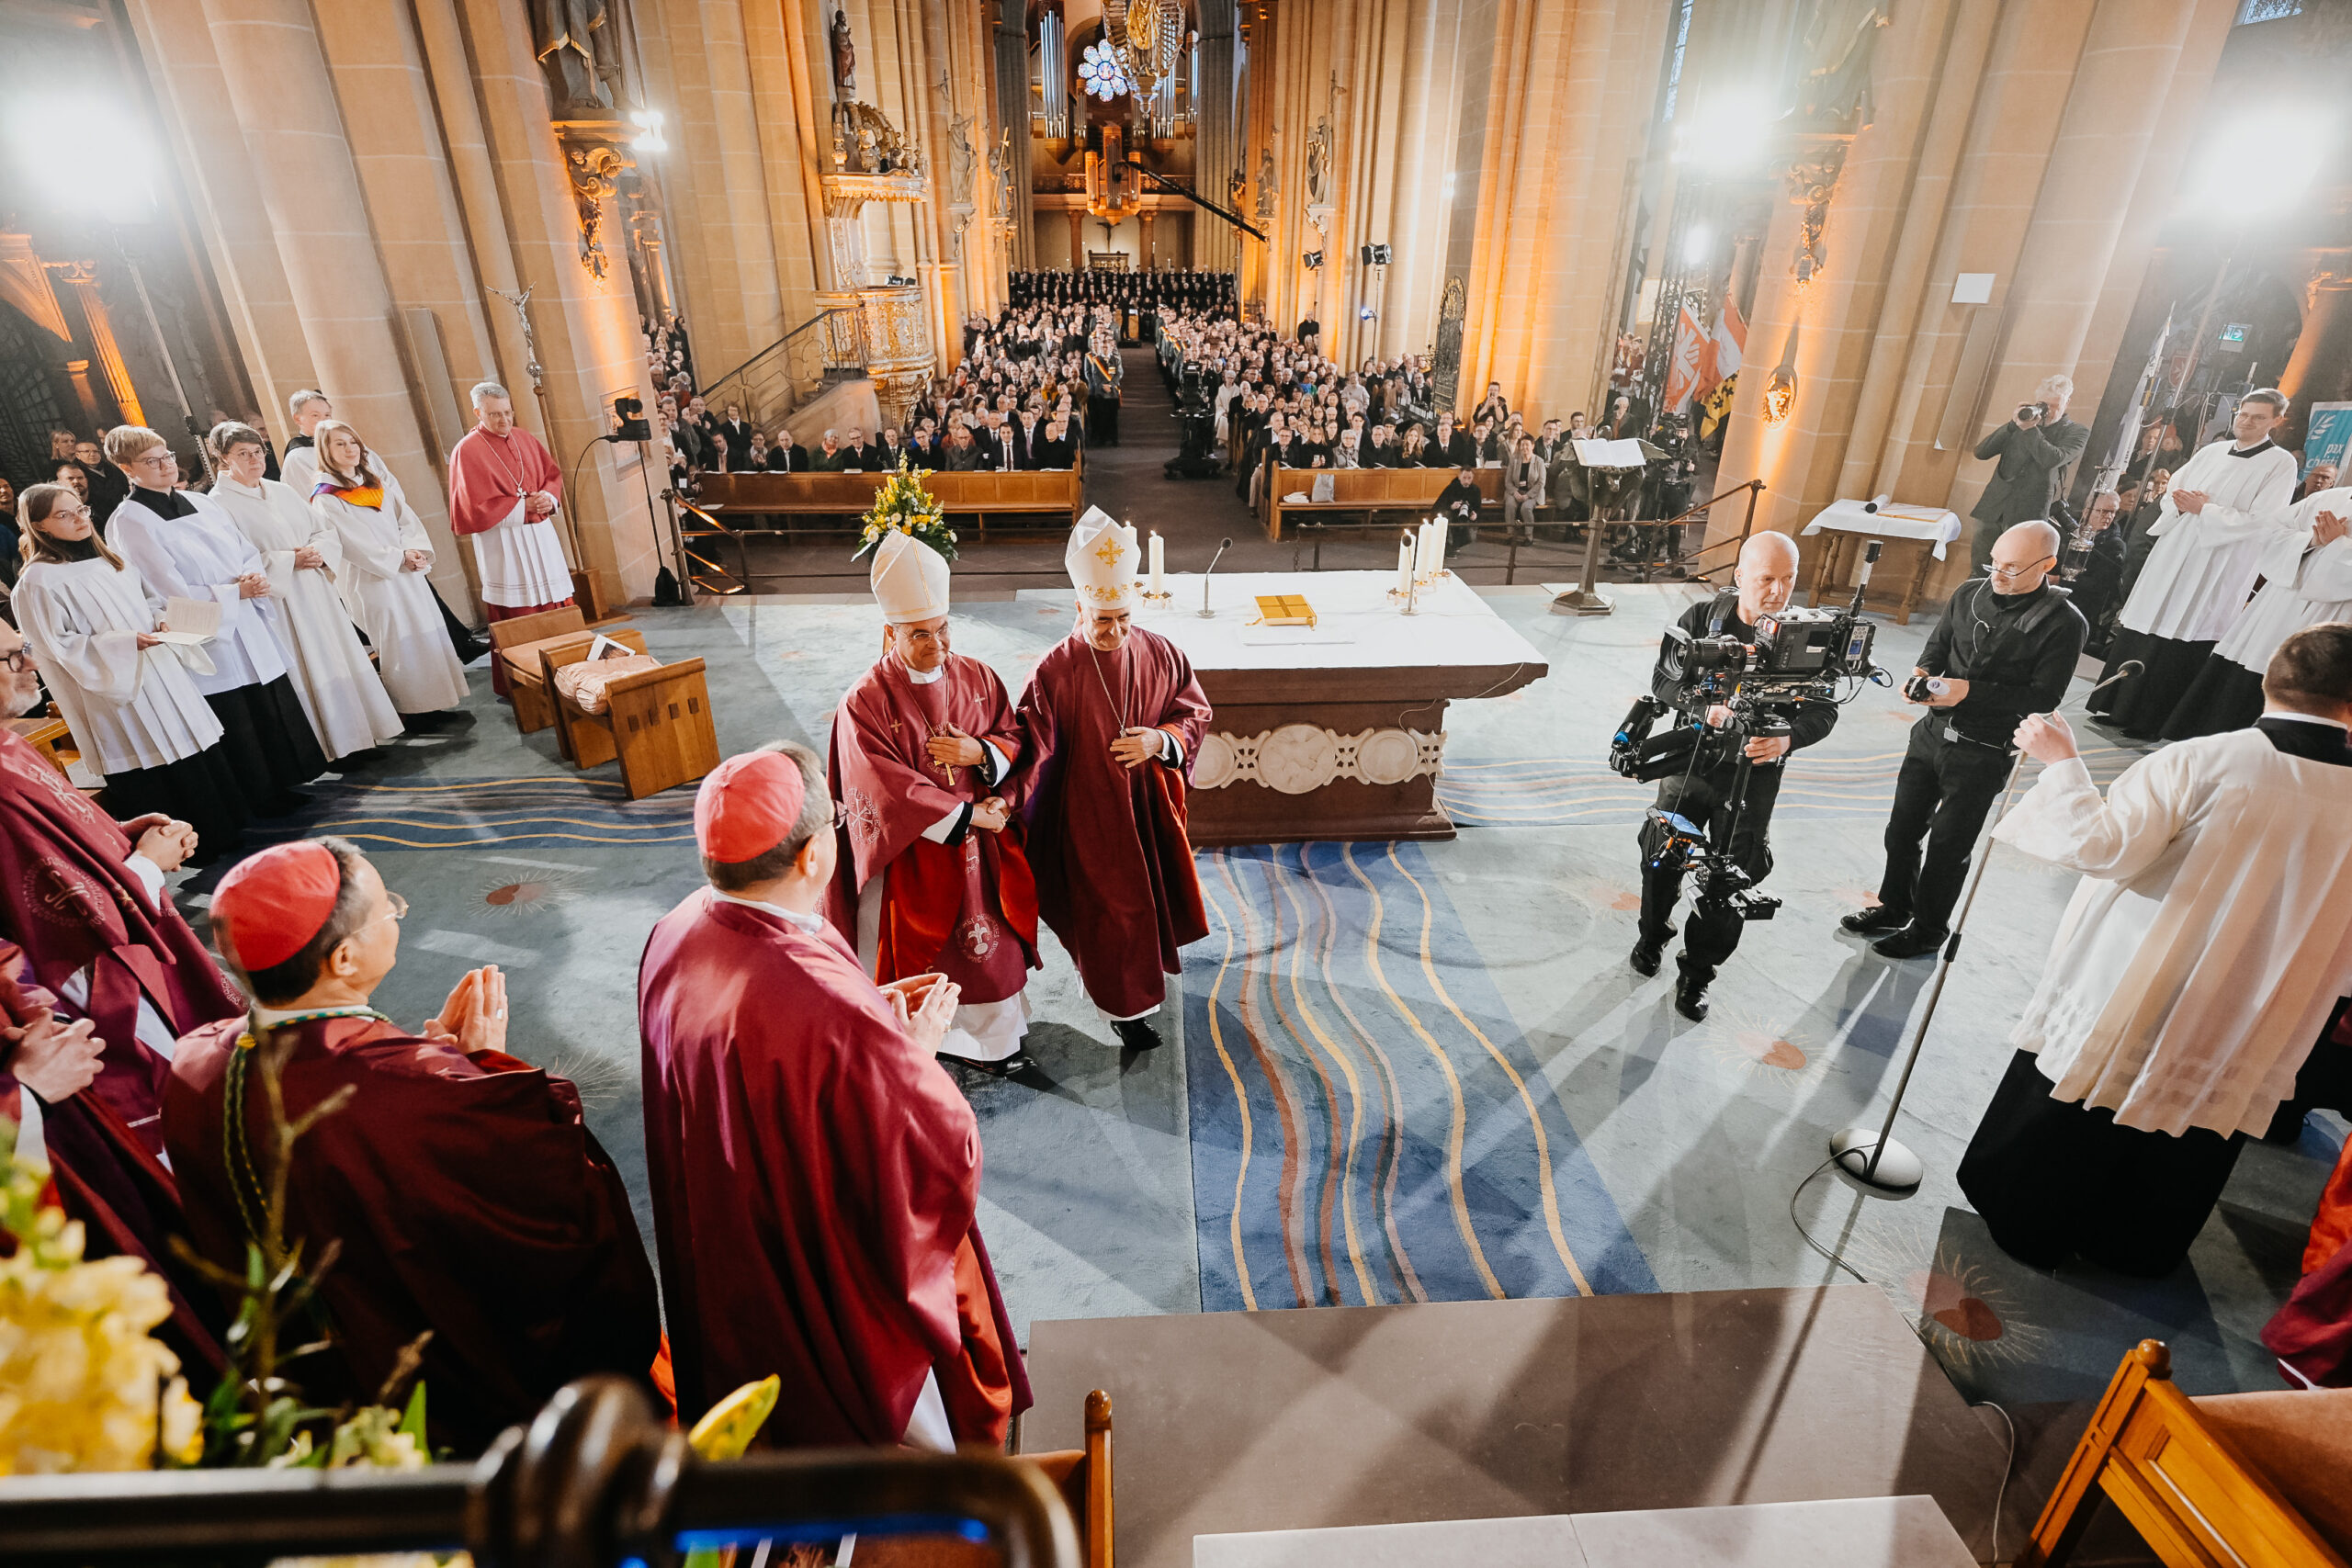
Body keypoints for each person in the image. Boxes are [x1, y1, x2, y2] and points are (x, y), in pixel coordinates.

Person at [166, 839, 661, 1455]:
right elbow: (548, 1195)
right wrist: (479, 1068)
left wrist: (433, 1060)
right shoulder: (421, 1091)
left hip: (310, 1369)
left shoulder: (190, 1063)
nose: (400, 911)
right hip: (439, 1377)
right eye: (388, 908)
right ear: (343, 957)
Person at [639, 746, 1032, 1445]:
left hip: (733, 1208)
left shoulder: (673, 932)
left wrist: (869, 1026)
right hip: (821, 1237)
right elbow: (938, 1143)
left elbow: (766, 1054)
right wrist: (911, 1051)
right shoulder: (817, 1000)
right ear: (812, 859)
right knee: (886, 1393)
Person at [1957, 624, 2352, 1277]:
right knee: (2198, 1113)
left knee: (2094, 1088)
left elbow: (2105, 847)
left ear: (2266, 679)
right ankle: (2134, 1245)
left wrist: (2063, 764)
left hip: (2146, 977)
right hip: (2261, 1000)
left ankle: (2033, 1226)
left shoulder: (2205, 761)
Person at [825, 535, 1041, 1077]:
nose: (936, 645)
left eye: (942, 629)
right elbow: (877, 784)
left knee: (985, 942)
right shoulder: (865, 701)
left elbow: (1014, 733)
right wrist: (967, 815)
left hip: (979, 844)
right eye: (919, 634)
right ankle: (923, 1036)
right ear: (889, 632)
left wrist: (983, 754)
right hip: (916, 851)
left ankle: (995, 1042)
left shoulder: (978, 676)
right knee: (924, 945)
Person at [1007, 513, 1211, 1049]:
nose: (1116, 631)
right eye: (1102, 620)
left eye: (1123, 617)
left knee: (1145, 902)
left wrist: (1160, 741)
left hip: (1147, 807)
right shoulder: (1054, 671)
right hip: (1088, 814)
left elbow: (1194, 712)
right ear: (1079, 608)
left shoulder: (1159, 651)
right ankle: (1125, 1011)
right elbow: (1030, 747)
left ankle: (1135, 995)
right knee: (1109, 910)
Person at [1841, 522, 2086, 959]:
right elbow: (1937, 645)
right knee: (1901, 831)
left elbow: (2043, 697)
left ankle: (1929, 929)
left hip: (1983, 751)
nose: (1997, 574)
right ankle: (1895, 905)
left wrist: (1967, 691)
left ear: (2048, 565)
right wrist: (1922, 675)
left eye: (2012, 568)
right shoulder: (1969, 593)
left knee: (1948, 847)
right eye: (1994, 562)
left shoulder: (2065, 623)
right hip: (1931, 735)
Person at [1630, 533, 1838, 1021]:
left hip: (1754, 778)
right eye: (1767, 578)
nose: (1778, 591)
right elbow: (1662, 680)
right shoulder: (1703, 618)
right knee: (1660, 856)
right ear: (1740, 576)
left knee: (1730, 879)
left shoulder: (1808, 633)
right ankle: (1652, 934)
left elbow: (1825, 710)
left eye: (1789, 579)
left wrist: (1788, 739)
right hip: (1692, 764)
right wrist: (1706, 707)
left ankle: (1697, 974)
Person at [14, 486, 257, 852]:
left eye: (81, 508)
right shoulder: (38, 581)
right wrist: (125, 642)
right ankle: (181, 848)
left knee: (191, 746)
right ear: (40, 526)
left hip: (160, 672)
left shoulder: (111, 559)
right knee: (152, 758)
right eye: (64, 515)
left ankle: (227, 826)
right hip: (117, 687)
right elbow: (56, 646)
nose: (81, 519)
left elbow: (150, 600)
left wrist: (160, 620)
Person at [106, 426, 328, 809]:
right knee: (236, 710)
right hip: (209, 630)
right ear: (127, 468)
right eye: (151, 461)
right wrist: (231, 593)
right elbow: (161, 587)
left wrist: (252, 576)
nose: (165, 466)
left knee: (267, 698)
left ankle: (286, 780)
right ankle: (259, 795)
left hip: (245, 613)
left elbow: (243, 548)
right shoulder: (130, 521)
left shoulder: (201, 502)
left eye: (168, 456)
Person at [2089, 390, 2299, 739]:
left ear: (2276, 421)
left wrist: (2208, 511)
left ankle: (2150, 721)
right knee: (2148, 623)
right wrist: (2182, 504)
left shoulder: (2280, 463)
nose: (2246, 421)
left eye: (2258, 417)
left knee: (2183, 635)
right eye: (2243, 414)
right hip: (2177, 548)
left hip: (2218, 562)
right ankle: (2117, 707)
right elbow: (2174, 489)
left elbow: (2267, 521)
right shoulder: (2212, 452)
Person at [206, 423, 402, 761]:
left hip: (314, 589)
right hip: (279, 601)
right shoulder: (217, 504)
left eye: (258, 452)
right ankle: (332, 747)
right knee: (307, 666)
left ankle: (360, 736)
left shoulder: (279, 490)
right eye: (243, 454)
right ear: (223, 458)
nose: (254, 460)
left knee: (336, 657)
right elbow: (228, 560)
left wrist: (317, 550)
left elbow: (323, 528)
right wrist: (286, 560)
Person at [2162, 486, 2352, 740]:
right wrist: (2311, 541)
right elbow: (2270, 530)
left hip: (2334, 617)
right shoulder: (2328, 498)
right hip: (2277, 608)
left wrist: (2338, 546)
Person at [311, 421, 470, 717]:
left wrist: (413, 550)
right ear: (326, 451)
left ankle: (435, 702)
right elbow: (353, 544)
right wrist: (399, 557)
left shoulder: (373, 482)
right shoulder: (326, 497)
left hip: (404, 572)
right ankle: (412, 711)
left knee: (424, 633)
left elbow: (405, 519)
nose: (350, 449)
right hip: (373, 579)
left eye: (353, 442)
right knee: (398, 643)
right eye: (340, 444)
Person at [447, 383, 577, 697]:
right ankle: (526, 685)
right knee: (518, 610)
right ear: (478, 413)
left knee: (555, 599)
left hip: (539, 536)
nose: (504, 420)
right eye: (494, 415)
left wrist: (547, 498)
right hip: (503, 541)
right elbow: (470, 506)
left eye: (507, 412)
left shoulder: (525, 438)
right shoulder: (467, 450)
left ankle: (572, 669)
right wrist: (523, 507)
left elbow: (551, 475)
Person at [1968, 375, 2088, 578]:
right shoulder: (2022, 424)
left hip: (2028, 514)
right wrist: (2012, 425)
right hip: (1993, 507)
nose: (2047, 411)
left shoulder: (2076, 431)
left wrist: (2030, 430)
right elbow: (1981, 452)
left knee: (2012, 574)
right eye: (2043, 404)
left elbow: (2052, 459)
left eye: (2054, 405)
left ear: (2067, 403)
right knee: (1978, 572)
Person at [277, 389, 334, 499]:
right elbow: (315, 498)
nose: (324, 421)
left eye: (327, 415)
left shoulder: (347, 444)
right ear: (298, 419)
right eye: (315, 415)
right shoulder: (297, 457)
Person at [1503, 434, 1546, 539]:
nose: (1524, 448)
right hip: (1516, 491)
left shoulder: (1539, 461)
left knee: (1526, 508)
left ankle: (1529, 536)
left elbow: (1541, 482)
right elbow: (1508, 481)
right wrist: (1515, 492)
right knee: (1510, 505)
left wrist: (1528, 495)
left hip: (1533, 493)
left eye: (1527, 445)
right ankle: (1510, 534)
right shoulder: (1514, 460)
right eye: (1522, 445)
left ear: (1532, 446)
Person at [1436, 464, 1484, 546]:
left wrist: (1475, 515)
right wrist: (1451, 506)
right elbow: (1439, 505)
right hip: (1452, 516)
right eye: (1464, 478)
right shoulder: (1451, 488)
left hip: (1467, 517)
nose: (1466, 481)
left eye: (1469, 478)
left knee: (1470, 539)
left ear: (1473, 478)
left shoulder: (1475, 490)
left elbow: (1477, 507)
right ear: (1459, 477)